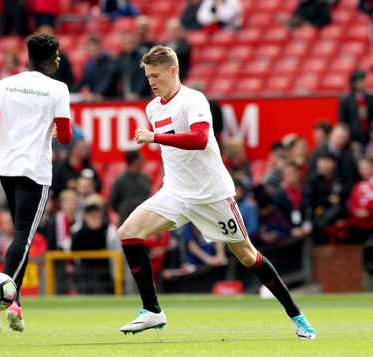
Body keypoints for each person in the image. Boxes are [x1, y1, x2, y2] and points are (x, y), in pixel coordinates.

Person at [117, 45, 316, 339]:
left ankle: (298, 316)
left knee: (247, 256)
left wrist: (155, 136)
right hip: (175, 193)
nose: (151, 82)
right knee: (128, 232)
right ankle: (152, 310)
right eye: (148, 77)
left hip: (211, 195)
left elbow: (198, 139)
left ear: (173, 71)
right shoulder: (153, 107)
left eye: (156, 75)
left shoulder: (193, 100)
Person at [0, 32, 73, 333]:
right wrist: (57, 135)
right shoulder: (58, 89)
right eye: (57, 56)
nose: (59, 60)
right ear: (47, 60)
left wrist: (6, 144)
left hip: (6, 168)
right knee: (23, 236)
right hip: (34, 171)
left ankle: (15, 304)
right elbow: (67, 136)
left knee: (20, 237)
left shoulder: (5, 84)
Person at [109, 150, 151, 223]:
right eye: (140, 159)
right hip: (126, 219)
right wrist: (123, 210)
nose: (143, 161)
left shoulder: (145, 178)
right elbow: (113, 202)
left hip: (143, 219)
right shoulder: (120, 181)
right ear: (134, 161)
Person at [339, 69, 373, 156]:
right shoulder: (346, 100)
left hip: (369, 139)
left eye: (364, 80)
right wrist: (350, 142)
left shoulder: (370, 98)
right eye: (360, 81)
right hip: (354, 140)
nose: (363, 83)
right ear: (353, 83)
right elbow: (343, 123)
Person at [74, 35, 118, 101]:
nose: (92, 52)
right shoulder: (89, 64)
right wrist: (71, 92)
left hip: (108, 99)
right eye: (90, 49)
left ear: (99, 47)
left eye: (94, 48)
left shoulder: (109, 62)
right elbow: (83, 81)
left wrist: (98, 93)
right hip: (94, 98)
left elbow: (107, 81)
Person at [114, 31, 151, 101]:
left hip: (142, 98)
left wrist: (137, 93)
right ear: (123, 44)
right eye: (127, 43)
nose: (129, 46)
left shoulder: (142, 58)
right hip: (124, 98)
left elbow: (144, 77)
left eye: (131, 43)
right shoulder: (120, 59)